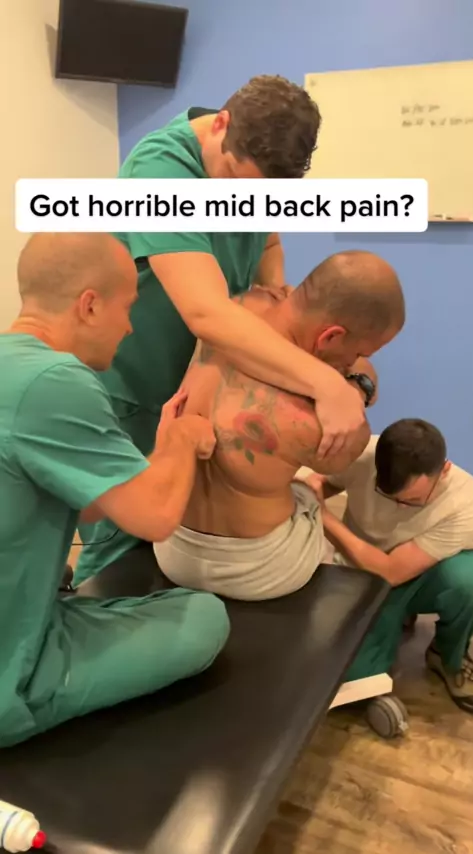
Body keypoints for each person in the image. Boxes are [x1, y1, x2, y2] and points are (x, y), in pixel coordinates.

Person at [74, 74, 370, 585]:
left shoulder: (254, 160)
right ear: (221, 125)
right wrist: (328, 386)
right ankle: (86, 625)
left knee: (175, 533)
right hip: (136, 389)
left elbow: (268, 244)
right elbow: (206, 312)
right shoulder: (160, 172)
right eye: (234, 182)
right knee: (122, 544)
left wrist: (272, 296)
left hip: (201, 375)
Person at [0, 232, 229, 749]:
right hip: (9, 678)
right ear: (89, 305)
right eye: (127, 308)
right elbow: (156, 517)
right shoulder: (57, 378)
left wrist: (162, 453)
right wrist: (184, 438)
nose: (129, 327)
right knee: (203, 617)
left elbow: (86, 502)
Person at [152, 250, 405, 601]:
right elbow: (342, 455)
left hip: (172, 547)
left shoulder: (235, 308)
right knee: (307, 494)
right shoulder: (310, 421)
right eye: (360, 352)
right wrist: (356, 386)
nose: (354, 360)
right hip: (256, 570)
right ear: (330, 336)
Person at [301, 419, 473, 714]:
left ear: (444, 471)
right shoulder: (363, 454)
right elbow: (324, 481)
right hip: (361, 572)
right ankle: (393, 621)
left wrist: (324, 518)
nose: (399, 507)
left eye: (413, 501)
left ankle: (448, 654)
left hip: (418, 573)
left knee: (471, 581)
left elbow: (391, 572)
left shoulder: (467, 504)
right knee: (352, 679)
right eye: (388, 496)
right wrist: (311, 488)